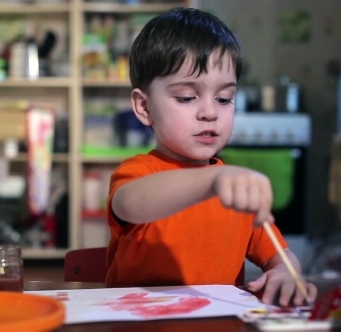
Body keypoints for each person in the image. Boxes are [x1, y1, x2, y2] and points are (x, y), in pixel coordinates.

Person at [105, 7, 316, 307]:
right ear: (144, 107)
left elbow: (281, 256)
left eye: (224, 98)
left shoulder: (233, 189)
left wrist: (285, 273)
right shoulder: (141, 173)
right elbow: (130, 204)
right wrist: (213, 179)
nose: (210, 112)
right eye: (187, 97)